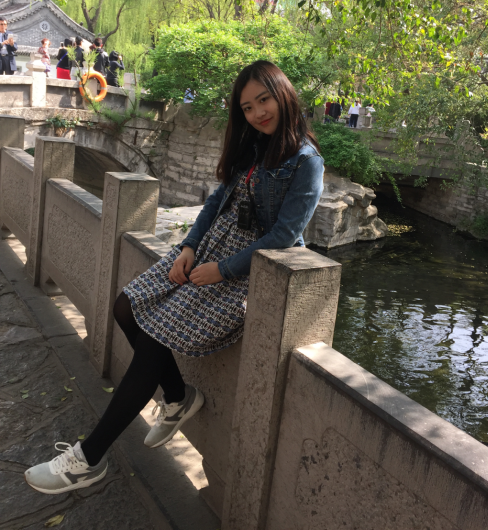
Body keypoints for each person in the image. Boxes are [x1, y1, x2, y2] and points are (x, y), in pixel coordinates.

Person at [24, 60, 324, 495]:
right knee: (126, 306)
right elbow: (217, 202)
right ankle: (179, 396)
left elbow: (284, 236)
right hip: (209, 249)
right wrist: (188, 246)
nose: (258, 113)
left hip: (246, 270)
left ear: (284, 95)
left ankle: (89, 457)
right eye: (247, 107)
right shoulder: (254, 146)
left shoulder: (306, 162)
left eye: (264, 100)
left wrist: (222, 270)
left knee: (154, 340)